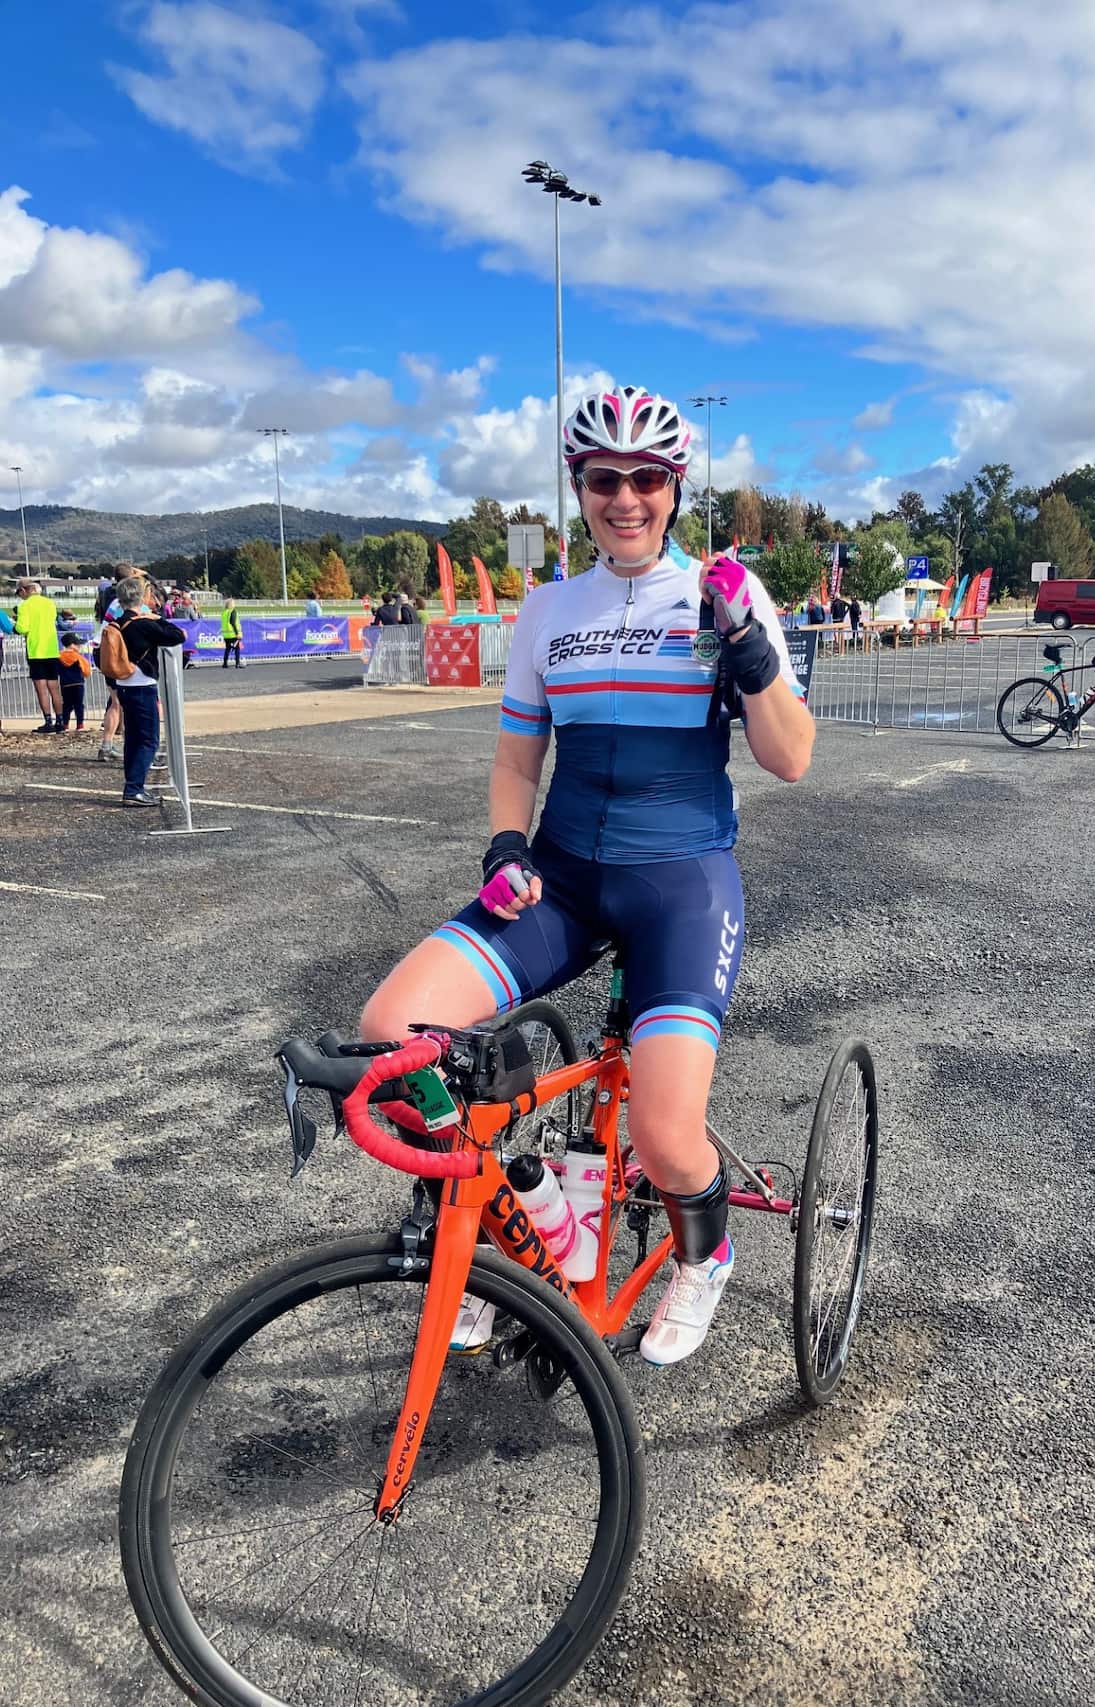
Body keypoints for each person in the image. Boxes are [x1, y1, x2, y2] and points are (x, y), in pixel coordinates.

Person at [361, 385, 814, 1366]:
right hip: (557, 881)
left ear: (673, 489)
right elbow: (517, 757)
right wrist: (504, 842)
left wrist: (747, 653)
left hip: (679, 885)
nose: (625, 498)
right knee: (391, 1038)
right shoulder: (547, 610)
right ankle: (482, 1244)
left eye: (645, 479)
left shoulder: (722, 596)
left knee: (661, 1131)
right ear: (579, 489)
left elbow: (790, 757)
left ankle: (707, 1257)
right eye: (604, 479)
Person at [98, 578, 183, 806]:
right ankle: (134, 789)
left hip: (123, 685)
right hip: (142, 685)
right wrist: (157, 618)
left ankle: (133, 785)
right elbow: (177, 635)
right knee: (149, 741)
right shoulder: (144, 623)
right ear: (141, 598)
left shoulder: (114, 624)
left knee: (133, 739)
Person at [15, 578, 64, 733]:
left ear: (24, 590)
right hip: (51, 649)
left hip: (36, 650)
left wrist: (15, 625)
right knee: (54, 687)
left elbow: (22, 628)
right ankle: (60, 721)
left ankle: (48, 721)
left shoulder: (25, 606)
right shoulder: (50, 603)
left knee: (41, 688)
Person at [56, 631, 91, 733]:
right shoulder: (78, 657)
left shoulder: (59, 657)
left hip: (65, 684)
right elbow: (86, 671)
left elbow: (56, 670)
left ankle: (65, 725)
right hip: (78, 684)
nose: (79, 646)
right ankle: (80, 725)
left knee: (66, 705)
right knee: (79, 705)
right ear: (72, 645)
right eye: (78, 644)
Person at [220, 597, 243, 668]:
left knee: (227, 648)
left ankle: (225, 663)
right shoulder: (232, 611)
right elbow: (232, 622)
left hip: (226, 634)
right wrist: (237, 633)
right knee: (237, 648)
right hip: (233, 634)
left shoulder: (224, 612)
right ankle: (237, 663)